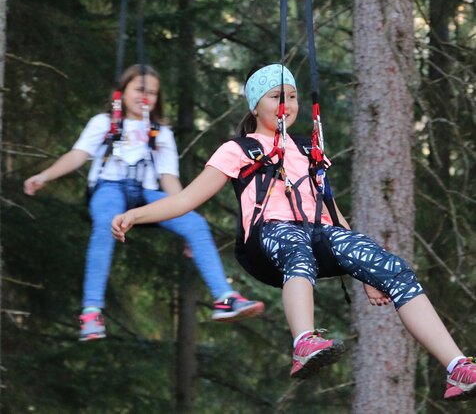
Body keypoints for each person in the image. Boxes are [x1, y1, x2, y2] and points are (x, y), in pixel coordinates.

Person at [111, 63, 476, 401]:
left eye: (293, 96)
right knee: (295, 243)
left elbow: (331, 210)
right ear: (256, 105)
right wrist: (137, 215)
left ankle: (456, 367)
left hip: (317, 232)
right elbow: (187, 198)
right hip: (266, 239)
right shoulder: (239, 150)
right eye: (276, 96)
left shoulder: (306, 147)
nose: (286, 104)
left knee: (390, 267)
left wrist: (363, 268)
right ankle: (304, 341)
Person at [24, 64, 264, 341]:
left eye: (152, 92)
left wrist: (186, 218)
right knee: (104, 225)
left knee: (196, 225)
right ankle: (91, 311)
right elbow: (78, 154)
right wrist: (46, 175)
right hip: (109, 188)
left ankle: (224, 297)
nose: (145, 97)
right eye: (139, 89)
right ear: (122, 91)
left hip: (148, 193)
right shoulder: (103, 123)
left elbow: (169, 179)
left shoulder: (160, 133)